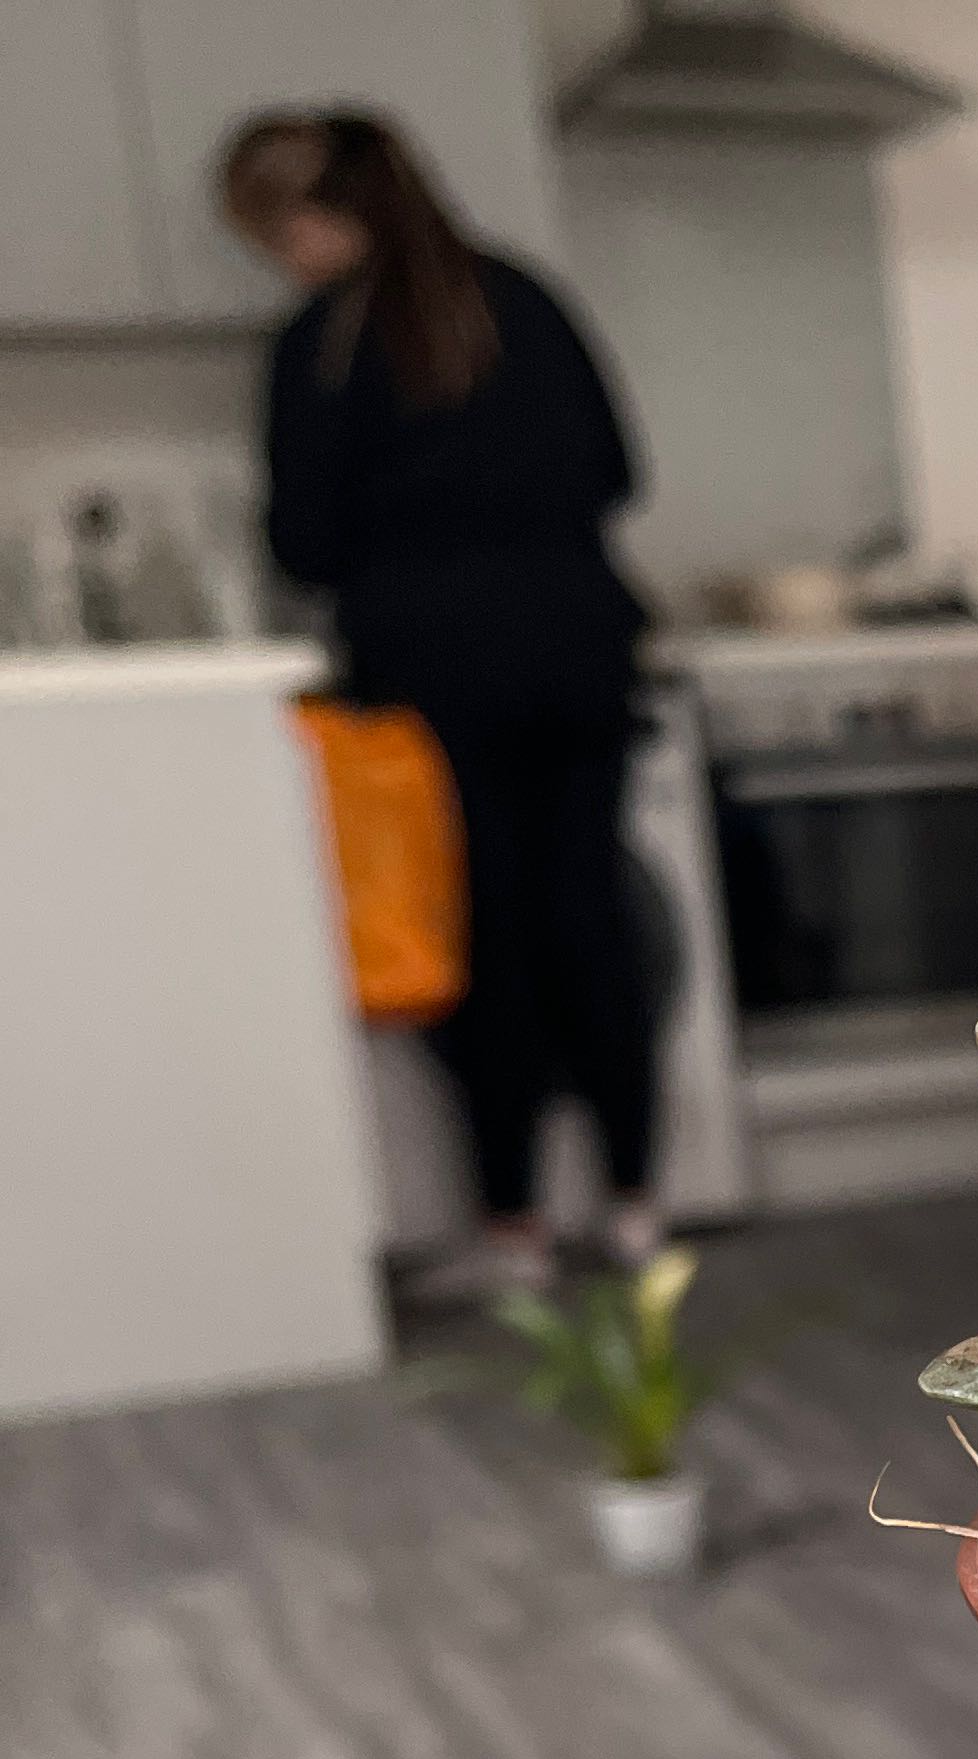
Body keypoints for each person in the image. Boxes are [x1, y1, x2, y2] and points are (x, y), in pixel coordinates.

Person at [223, 109, 660, 1294]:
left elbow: (306, 544)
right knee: (593, 921)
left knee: (484, 935)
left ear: (315, 220)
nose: (282, 259)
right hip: (582, 644)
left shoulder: (322, 341)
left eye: (275, 234)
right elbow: (620, 472)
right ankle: (633, 1212)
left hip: (432, 672)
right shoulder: (524, 296)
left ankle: (513, 1231)